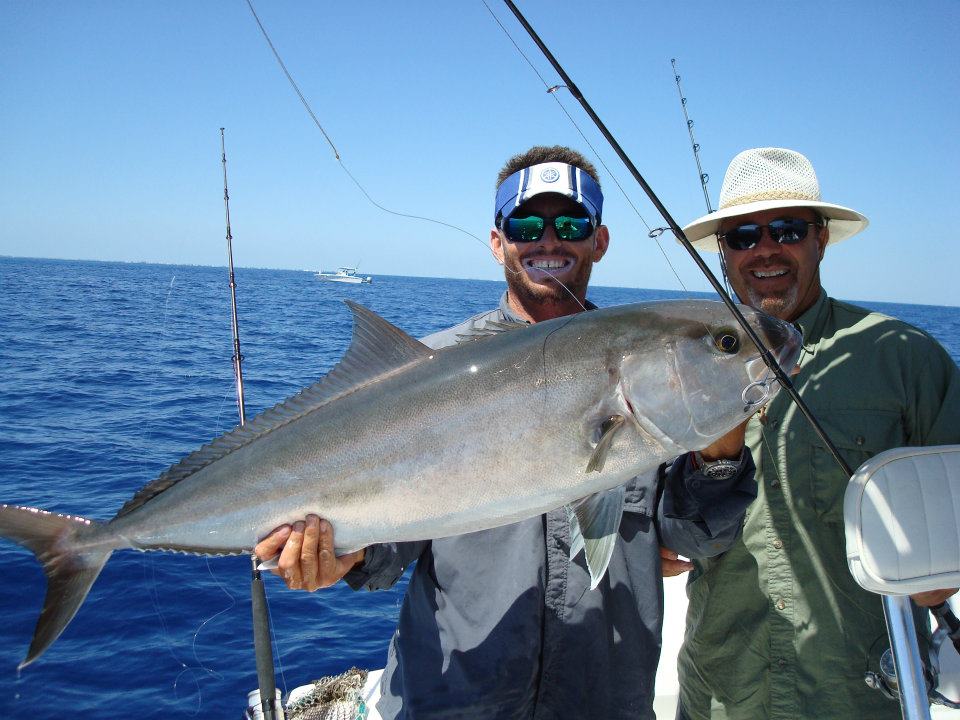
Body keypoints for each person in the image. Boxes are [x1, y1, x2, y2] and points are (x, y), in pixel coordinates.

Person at [256, 145, 759, 719]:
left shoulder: (659, 390)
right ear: (498, 241)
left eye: (571, 223)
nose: (549, 241)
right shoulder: (425, 369)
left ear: (599, 240)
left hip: (600, 700)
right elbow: (389, 549)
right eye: (526, 224)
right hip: (453, 701)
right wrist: (342, 555)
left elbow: (691, 540)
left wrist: (721, 451)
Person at [675, 147, 960, 719]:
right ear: (725, 254)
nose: (765, 250)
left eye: (787, 229)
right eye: (742, 236)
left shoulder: (904, 359)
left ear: (821, 238)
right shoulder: (675, 365)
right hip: (721, 693)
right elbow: (668, 542)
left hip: (858, 695)